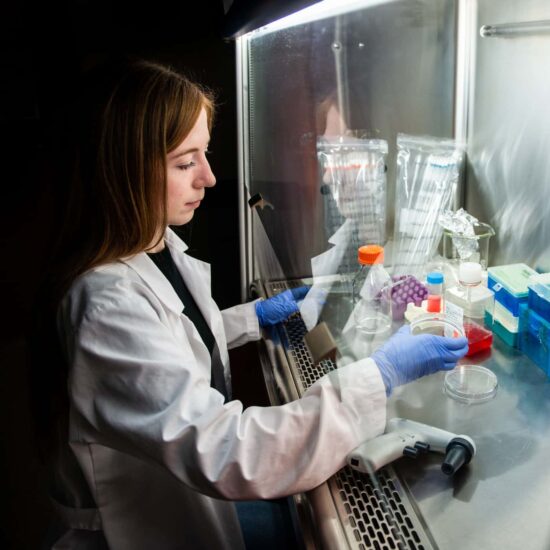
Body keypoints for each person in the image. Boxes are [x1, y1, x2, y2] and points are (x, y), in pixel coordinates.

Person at [31, 57, 469, 550]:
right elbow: (229, 451)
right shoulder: (105, 305)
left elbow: (167, 343)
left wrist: (248, 320)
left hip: (186, 502)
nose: (210, 178)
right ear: (123, 171)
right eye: (184, 162)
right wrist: (381, 373)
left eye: (205, 154)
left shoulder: (153, 246)